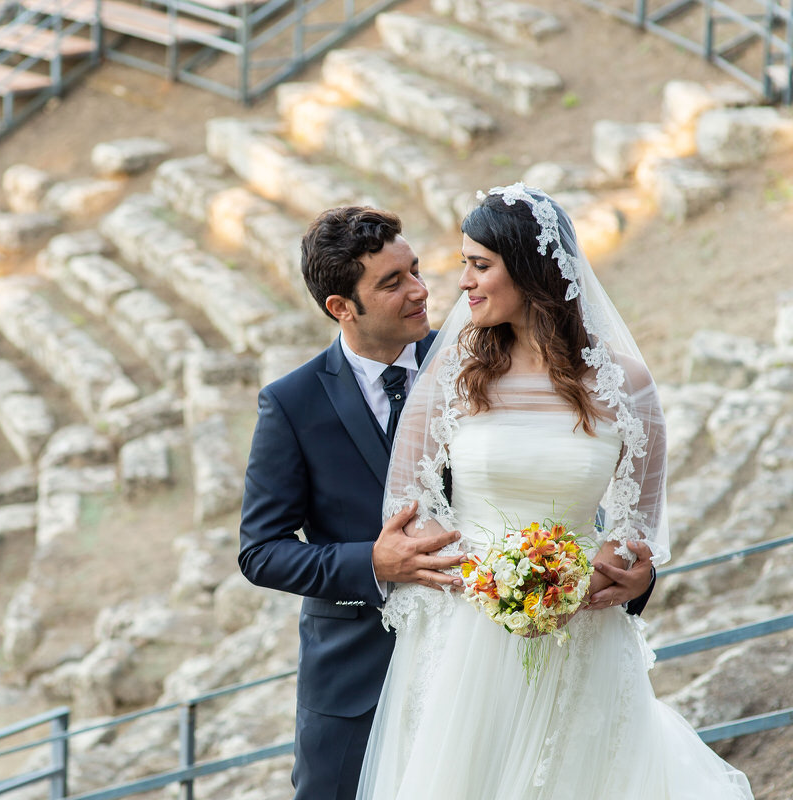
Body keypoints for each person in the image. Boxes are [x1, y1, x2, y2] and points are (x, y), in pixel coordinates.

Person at [237, 206, 656, 800]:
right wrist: (374, 563)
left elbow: (558, 486)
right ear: (341, 307)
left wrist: (618, 577)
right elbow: (260, 552)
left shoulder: (481, 362)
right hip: (356, 682)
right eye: (392, 283)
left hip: (513, 657)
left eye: (414, 270)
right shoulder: (291, 404)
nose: (420, 290)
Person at [355, 185, 753, 799]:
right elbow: (407, 510)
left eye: (479, 264)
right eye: (464, 263)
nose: (462, 281)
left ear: (532, 269)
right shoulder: (454, 374)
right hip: (467, 640)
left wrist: (600, 575)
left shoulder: (626, 384)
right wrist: (493, 583)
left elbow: (635, 531)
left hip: (581, 638)